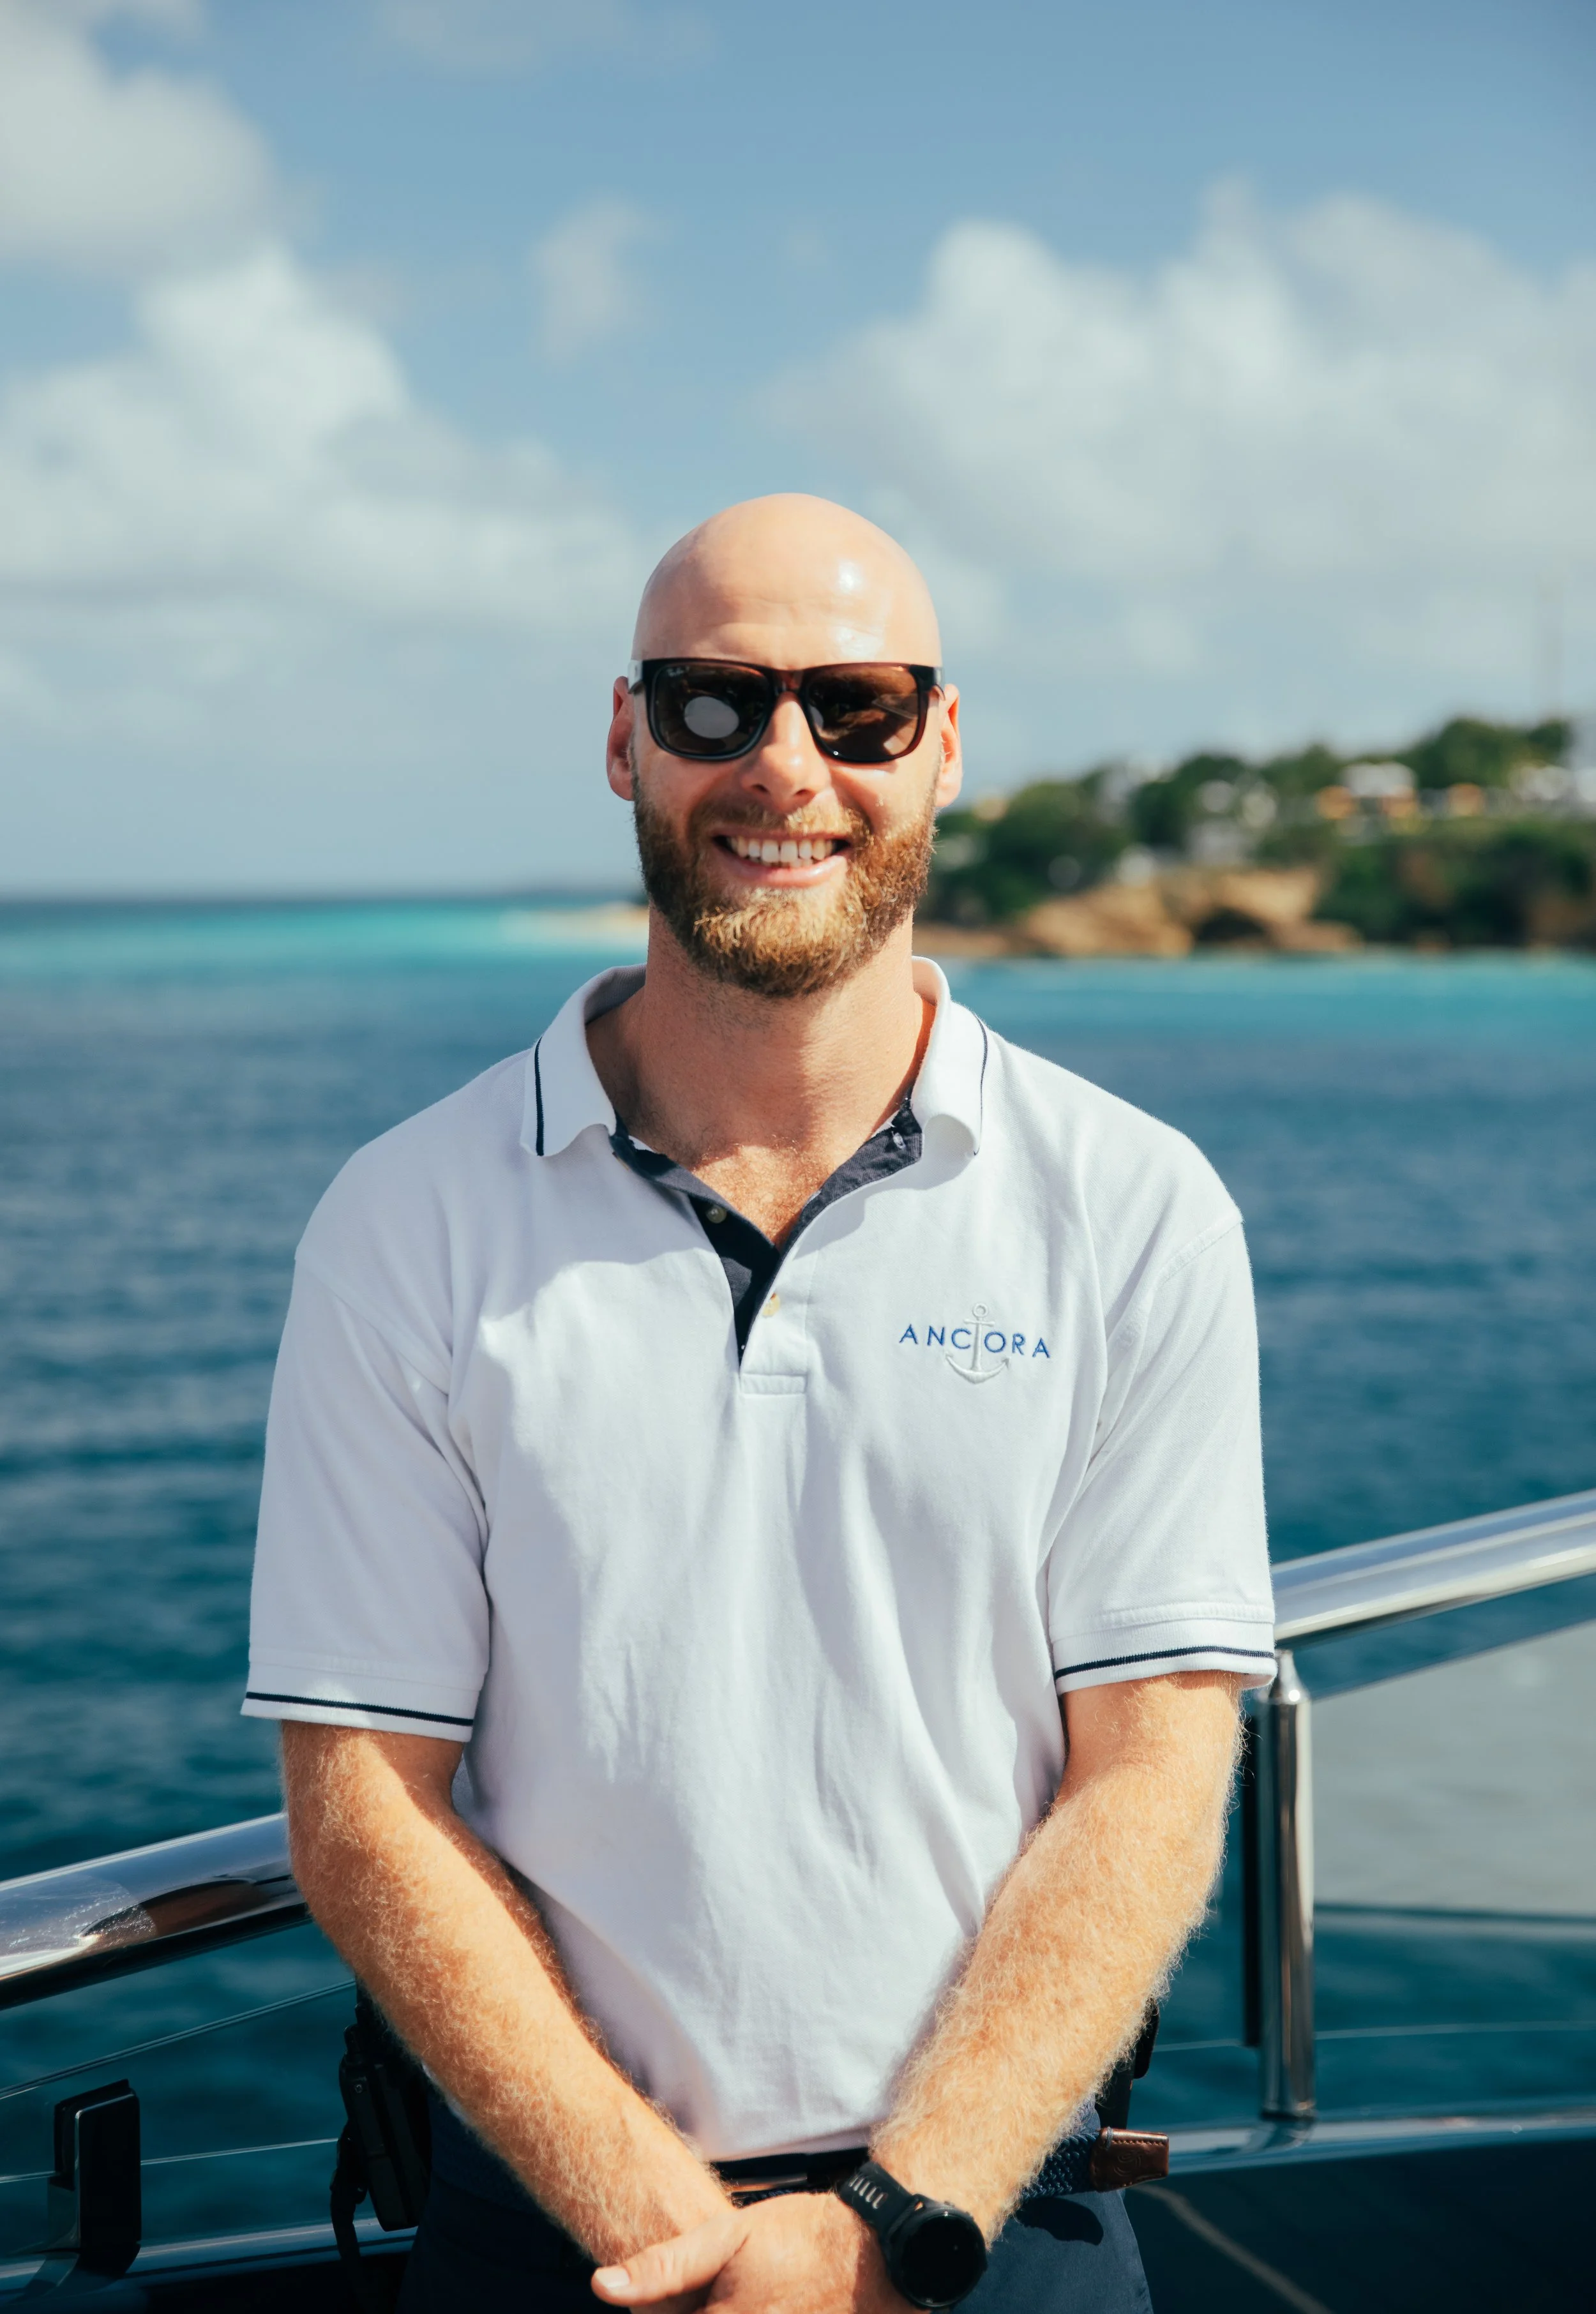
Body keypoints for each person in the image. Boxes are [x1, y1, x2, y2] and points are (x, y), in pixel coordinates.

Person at [245, 493, 1275, 2314]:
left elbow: (1151, 1775)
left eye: (855, 707)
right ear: (627, 737)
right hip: (565, 2230)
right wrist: (668, 2226)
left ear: (940, 749)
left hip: (994, 2219)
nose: (782, 765)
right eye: (715, 704)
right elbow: (361, 1796)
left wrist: (893, 2221)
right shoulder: (407, 1217)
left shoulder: (1129, 1208)